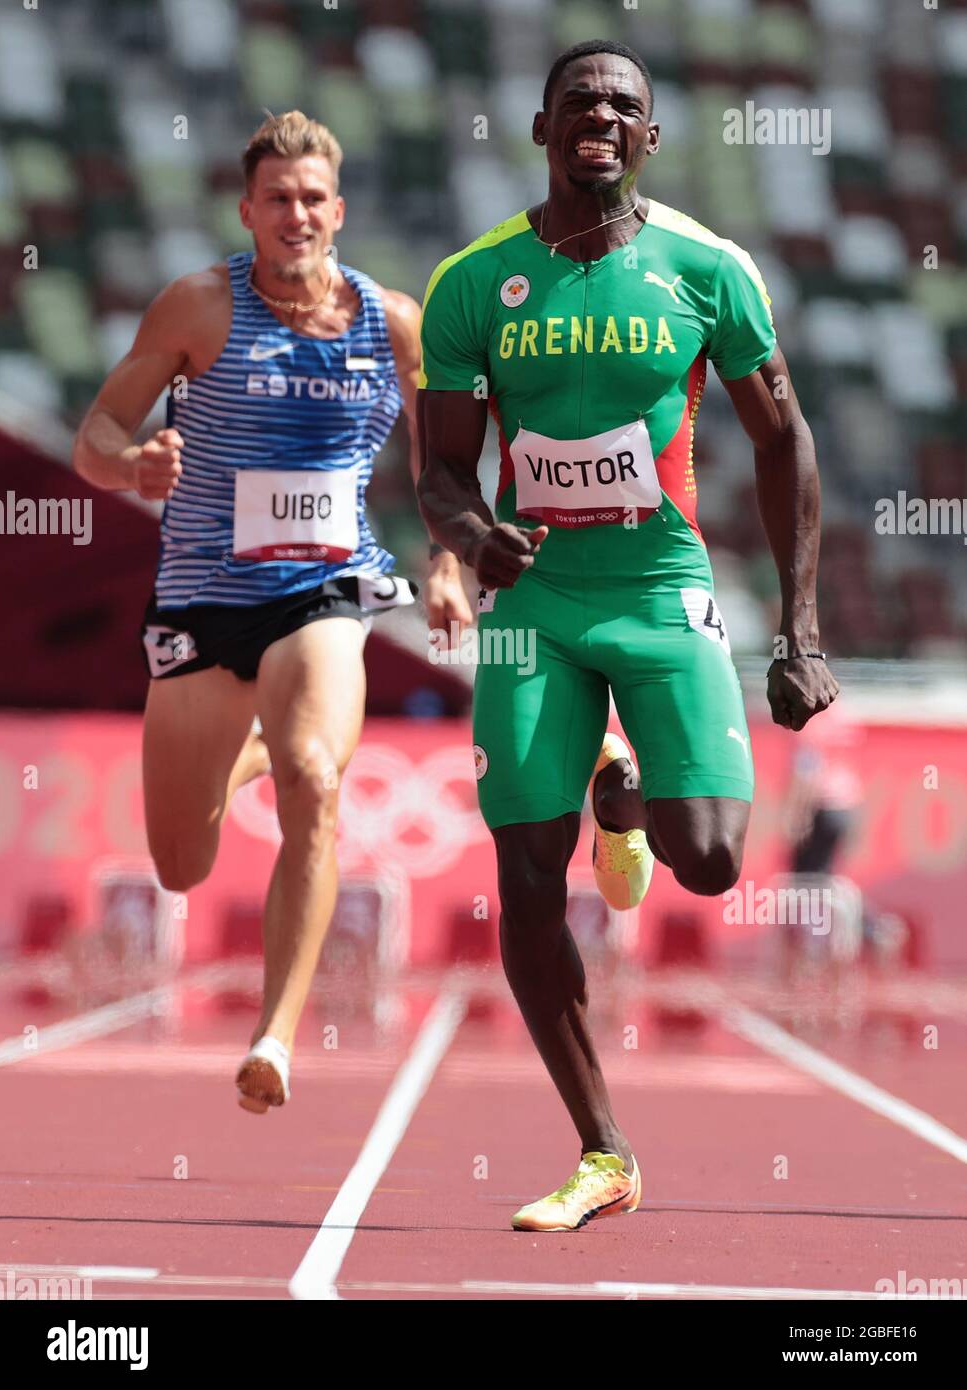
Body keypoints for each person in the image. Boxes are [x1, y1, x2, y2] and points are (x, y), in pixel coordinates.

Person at [417, 41, 838, 1231]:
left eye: (624, 105)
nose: (600, 115)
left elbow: (783, 438)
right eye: (579, 100)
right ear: (540, 125)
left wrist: (801, 627)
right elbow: (441, 472)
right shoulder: (470, 282)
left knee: (708, 859)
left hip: (660, 587)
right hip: (532, 607)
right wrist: (471, 535)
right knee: (523, 875)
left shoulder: (707, 269)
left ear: (650, 138)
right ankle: (603, 1148)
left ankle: (627, 799)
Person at [73, 110, 471, 1113]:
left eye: (312, 198)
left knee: (315, 777)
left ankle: (274, 1035)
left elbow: (445, 460)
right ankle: (243, 747)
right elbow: (97, 432)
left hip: (325, 589)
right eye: (277, 199)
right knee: (181, 861)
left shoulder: (394, 321)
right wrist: (130, 464)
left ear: (337, 210)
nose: (296, 213)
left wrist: (446, 563)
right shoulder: (198, 308)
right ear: (247, 211)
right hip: (205, 604)